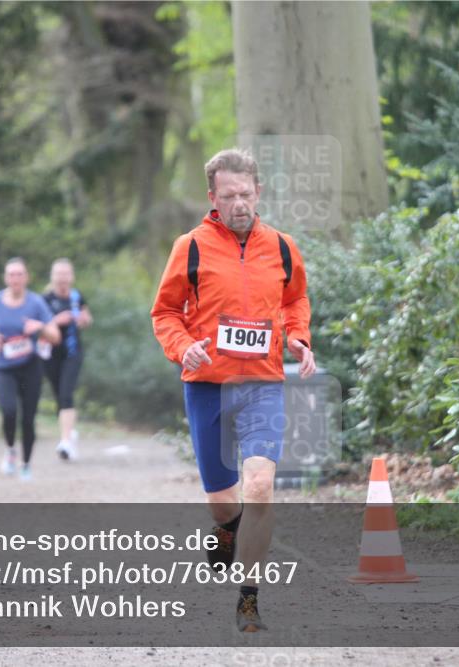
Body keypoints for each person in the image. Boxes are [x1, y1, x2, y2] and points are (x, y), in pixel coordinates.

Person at [150, 148, 316, 633]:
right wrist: (184, 349)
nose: (239, 203)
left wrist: (300, 338)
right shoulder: (191, 247)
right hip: (207, 387)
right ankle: (226, 527)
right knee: (225, 502)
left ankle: (249, 597)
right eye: (229, 195)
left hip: (262, 383)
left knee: (261, 485)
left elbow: (295, 298)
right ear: (212, 198)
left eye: (246, 194)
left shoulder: (282, 246)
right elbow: (164, 313)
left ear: (258, 192)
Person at [0, 258, 60, 481]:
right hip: (3, 367)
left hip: (30, 367)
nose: (15, 278)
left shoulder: (36, 304)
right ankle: (10, 450)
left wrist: (40, 327)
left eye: (20, 274)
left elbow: (55, 336)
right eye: (11, 274)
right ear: (6, 278)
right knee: (8, 411)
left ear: (27, 277)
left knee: (28, 417)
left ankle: (26, 464)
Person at [40, 258, 93, 461]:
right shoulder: (44, 299)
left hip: (72, 353)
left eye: (65, 274)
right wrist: (56, 320)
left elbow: (88, 318)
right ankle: (69, 433)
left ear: (71, 276)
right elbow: (37, 325)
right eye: (58, 274)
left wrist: (83, 319)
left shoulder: (77, 297)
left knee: (66, 392)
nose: (62, 278)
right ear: (53, 276)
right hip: (50, 353)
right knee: (58, 395)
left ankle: (65, 442)